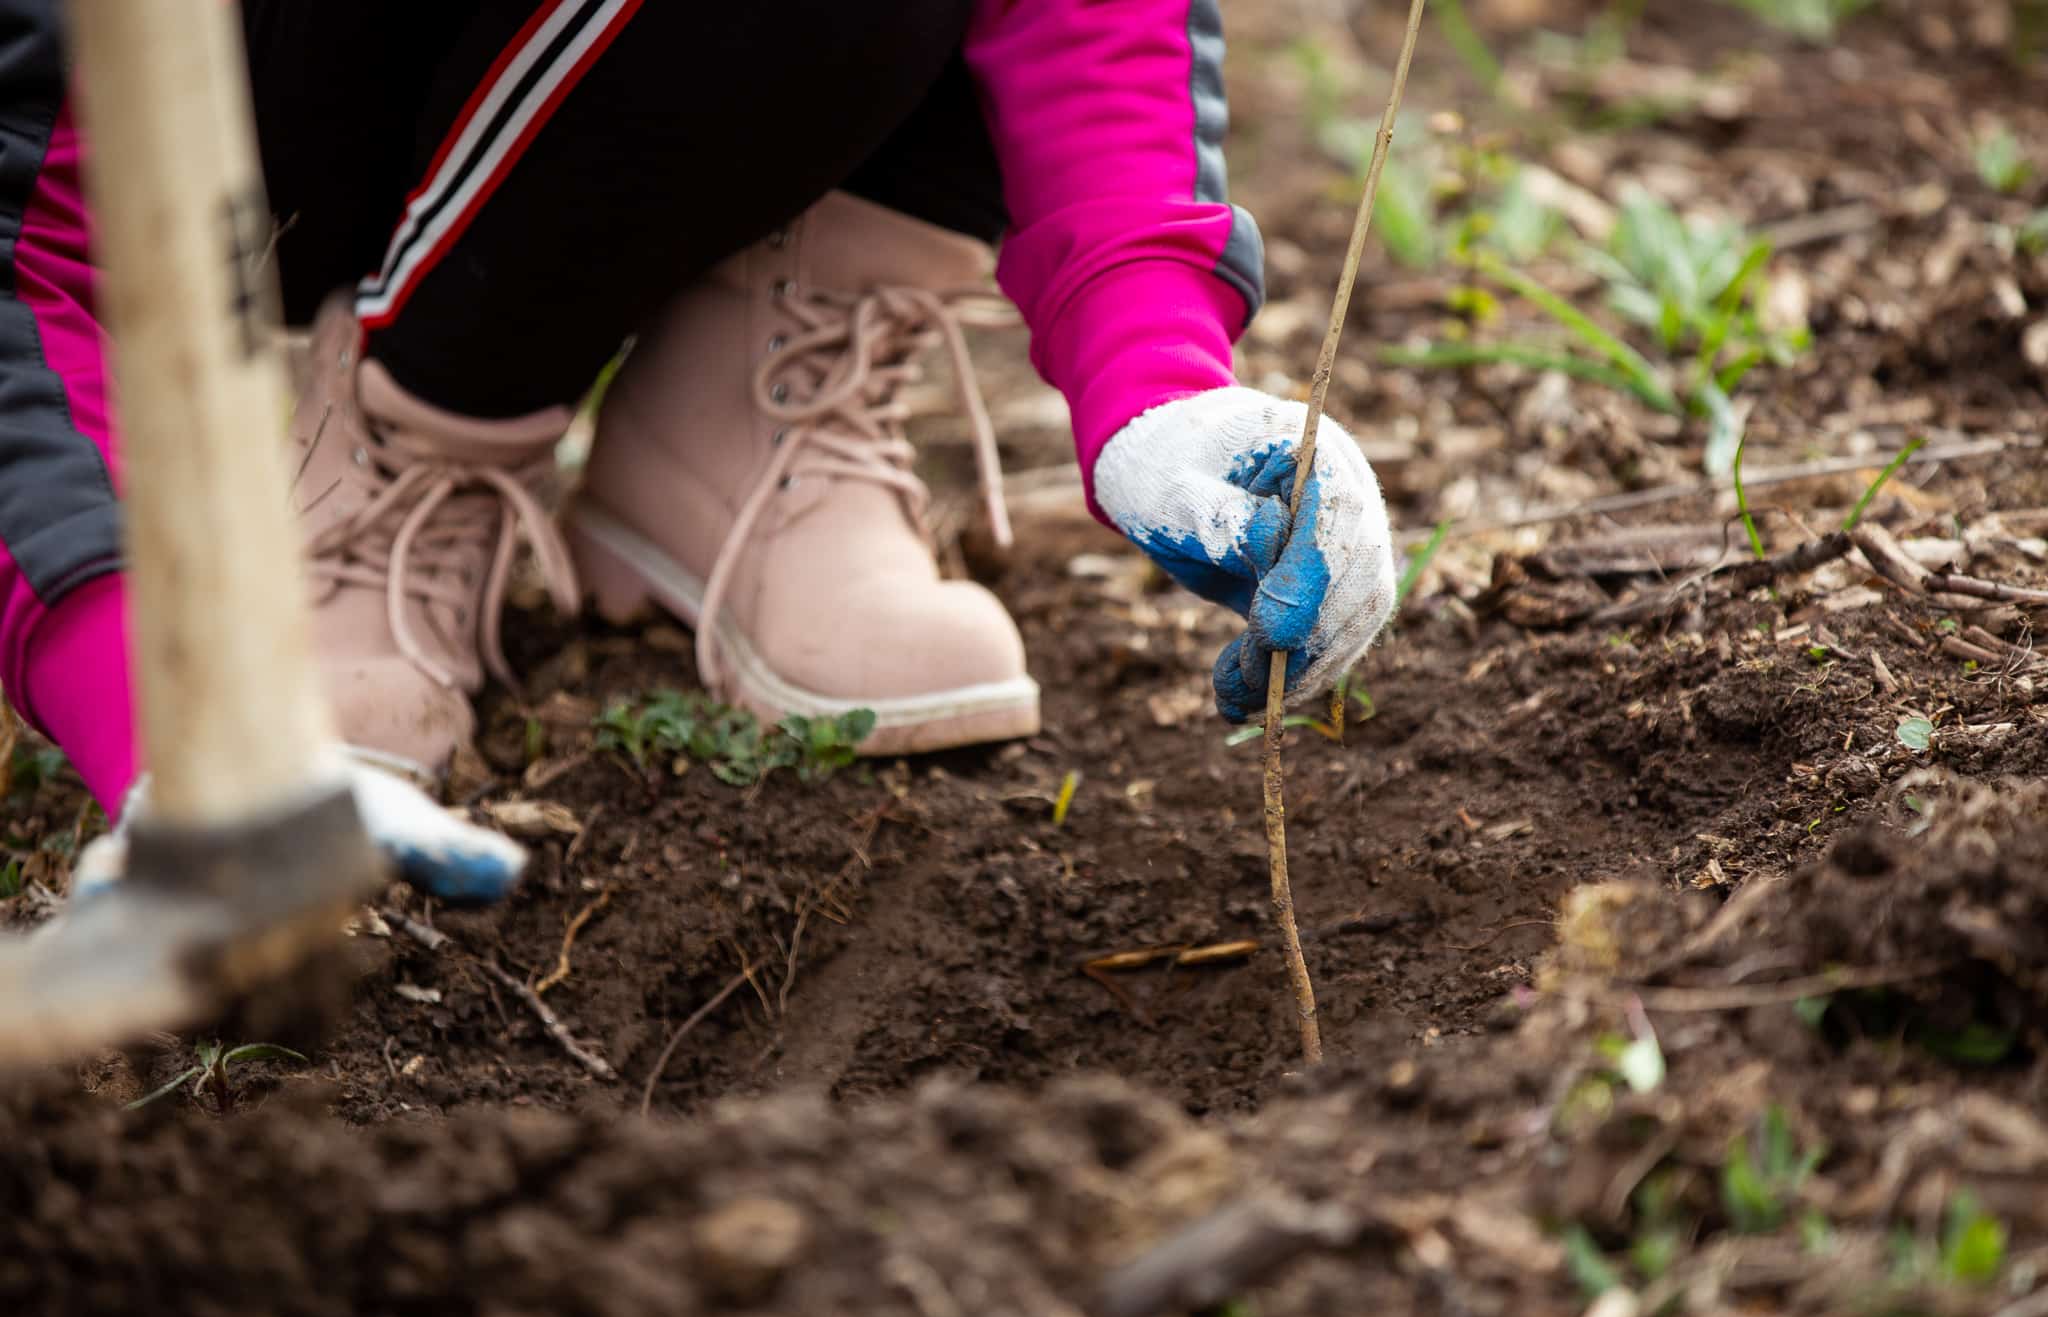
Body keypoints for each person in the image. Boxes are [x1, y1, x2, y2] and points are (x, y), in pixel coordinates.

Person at [3, 0, 1397, 905]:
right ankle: (399, 416)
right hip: (242, 127)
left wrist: (1154, 380)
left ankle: (732, 391)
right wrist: (162, 704)